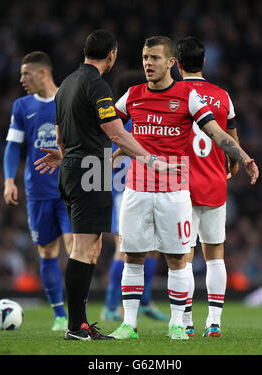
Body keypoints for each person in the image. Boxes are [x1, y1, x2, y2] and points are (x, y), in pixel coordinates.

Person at [34, 30, 181, 341]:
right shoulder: (96, 85)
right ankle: (77, 327)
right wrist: (152, 160)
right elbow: (116, 134)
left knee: (92, 247)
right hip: (92, 169)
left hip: (73, 168)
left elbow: (61, 139)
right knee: (84, 248)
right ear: (111, 55)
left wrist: (65, 156)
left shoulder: (65, 86)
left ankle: (79, 324)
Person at [109, 35, 258, 340]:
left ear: (171, 63)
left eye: (154, 58)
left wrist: (243, 157)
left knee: (178, 259)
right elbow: (108, 125)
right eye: (145, 58)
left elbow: (216, 133)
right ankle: (129, 325)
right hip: (137, 188)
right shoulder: (132, 95)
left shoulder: (187, 97)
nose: (148, 63)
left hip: (175, 191)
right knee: (132, 255)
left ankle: (178, 324)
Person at [175, 36, 241, 338]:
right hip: (215, 183)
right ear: (204, 62)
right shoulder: (222, 96)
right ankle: (214, 322)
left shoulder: (173, 95)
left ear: (176, 64)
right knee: (215, 255)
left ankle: (186, 321)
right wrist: (235, 161)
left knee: (183, 257)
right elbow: (231, 141)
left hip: (180, 186)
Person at [3, 51, 73, 331]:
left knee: (76, 249)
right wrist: (10, 180)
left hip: (68, 189)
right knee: (46, 251)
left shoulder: (66, 101)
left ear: (43, 73)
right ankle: (59, 314)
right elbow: (12, 146)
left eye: (26, 73)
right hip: (38, 192)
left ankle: (77, 310)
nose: (22, 79)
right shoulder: (21, 106)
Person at [101, 71, 169, 322]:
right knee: (127, 249)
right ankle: (109, 306)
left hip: (143, 188)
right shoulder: (127, 120)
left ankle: (144, 302)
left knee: (152, 249)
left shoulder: (124, 118)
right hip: (127, 190)